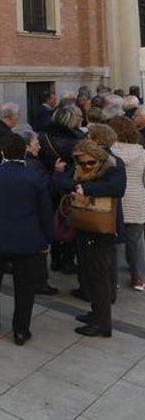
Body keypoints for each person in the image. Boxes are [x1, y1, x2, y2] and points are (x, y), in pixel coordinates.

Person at [0, 134, 53, 345]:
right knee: (24, 287)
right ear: (25, 152)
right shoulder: (35, 177)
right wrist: (47, 238)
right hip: (26, 240)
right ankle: (20, 330)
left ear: (2, 153)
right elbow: (45, 211)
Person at [58, 138, 125, 338]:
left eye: (87, 161)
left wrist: (85, 188)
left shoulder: (114, 165)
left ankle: (103, 323)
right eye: (80, 161)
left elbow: (117, 188)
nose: (83, 164)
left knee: (99, 275)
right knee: (89, 272)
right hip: (84, 225)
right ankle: (96, 313)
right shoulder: (79, 163)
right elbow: (62, 182)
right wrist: (75, 183)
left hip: (102, 228)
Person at [39, 105, 83, 274]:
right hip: (69, 187)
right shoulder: (77, 141)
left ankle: (56, 259)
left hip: (50, 185)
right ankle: (67, 260)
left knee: (55, 222)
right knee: (69, 222)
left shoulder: (43, 137)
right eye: (78, 117)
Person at [18, 130, 61, 296]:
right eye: (36, 143)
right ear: (27, 146)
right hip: (35, 215)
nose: (40, 145)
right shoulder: (33, 165)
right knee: (39, 251)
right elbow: (47, 189)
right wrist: (57, 172)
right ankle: (39, 282)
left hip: (26, 215)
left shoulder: (28, 162)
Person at [107, 117, 145, 291]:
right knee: (136, 241)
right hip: (136, 198)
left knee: (112, 241)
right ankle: (137, 278)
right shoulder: (142, 152)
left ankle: (112, 279)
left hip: (115, 198)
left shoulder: (109, 152)